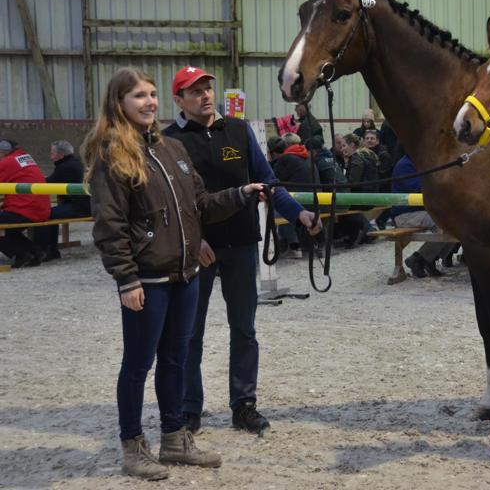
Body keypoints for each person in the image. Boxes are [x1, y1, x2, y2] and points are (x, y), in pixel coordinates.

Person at [85, 67, 265, 479]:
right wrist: (125, 279)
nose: (148, 102)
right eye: (138, 96)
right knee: (137, 365)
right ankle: (132, 445)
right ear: (119, 104)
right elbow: (109, 227)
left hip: (184, 275)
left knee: (174, 358)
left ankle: (174, 438)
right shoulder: (113, 155)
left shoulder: (171, 150)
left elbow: (198, 205)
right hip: (147, 280)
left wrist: (240, 194)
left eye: (151, 94)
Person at [163, 65, 321, 437]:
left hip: (240, 245)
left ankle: (244, 404)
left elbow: (268, 183)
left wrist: (299, 214)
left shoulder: (238, 131)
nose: (204, 95)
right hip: (195, 252)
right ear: (179, 99)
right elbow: (171, 202)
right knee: (189, 333)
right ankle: (189, 409)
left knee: (244, 330)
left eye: (207, 88)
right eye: (194, 90)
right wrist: (194, 239)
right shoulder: (169, 142)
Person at [390, 154, 455, 278]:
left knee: (456, 223)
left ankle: (429, 260)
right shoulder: (404, 165)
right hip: (405, 214)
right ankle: (419, 259)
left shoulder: (422, 162)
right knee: (446, 222)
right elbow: (421, 189)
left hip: (421, 211)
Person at [32, 140, 92, 261]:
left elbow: (47, 184)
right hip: (85, 205)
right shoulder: (74, 163)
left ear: (61, 155)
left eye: (52, 154)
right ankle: (51, 250)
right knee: (50, 214)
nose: (51, 157)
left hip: (79, 208)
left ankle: (46, 251)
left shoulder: (65, 167)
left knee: (44, 215)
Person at [0, 139, 50, 268]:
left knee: (4, 226)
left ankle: (22, 254)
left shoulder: (8, 162)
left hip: (24, 209)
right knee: (9, 231)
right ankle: (35, 252)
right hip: (38, 209)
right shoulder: (24, 159)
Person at [268, 133, 316, 259]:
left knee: (281, 208)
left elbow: (274, 180)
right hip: (316, 201)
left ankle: (294, 246)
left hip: (301, 204)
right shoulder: (306, 155)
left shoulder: (287, 158)